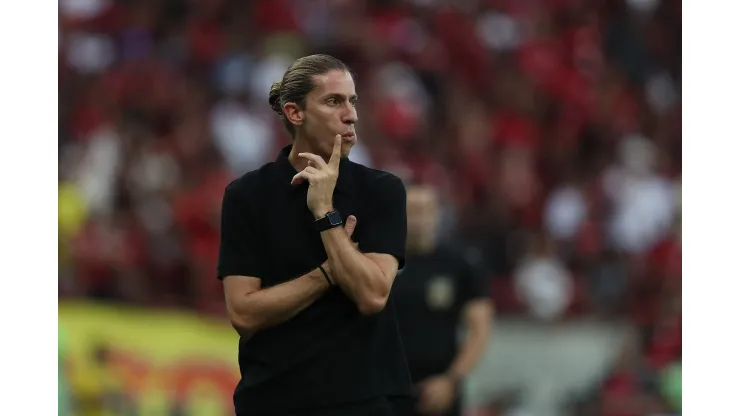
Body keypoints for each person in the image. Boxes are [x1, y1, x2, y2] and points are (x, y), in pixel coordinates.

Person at [217, 54, 412, 416]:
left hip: (366, 401)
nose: (351, 114)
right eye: (334, 101)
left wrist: (325, 213)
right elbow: (243, 312)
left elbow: (372, 295)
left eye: (353, 101)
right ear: (295, 113)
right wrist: (326, 274)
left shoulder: (382, 191)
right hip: (273, 400)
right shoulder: (247, 196)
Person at [392, 183, 494, 416]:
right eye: (412, 210)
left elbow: (480, 328)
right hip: (387, 390)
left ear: (437, 214)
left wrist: (451, 381)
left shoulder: (460, 264)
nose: (419, 219)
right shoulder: (382, 260)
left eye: (425, 210)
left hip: (439, 391)